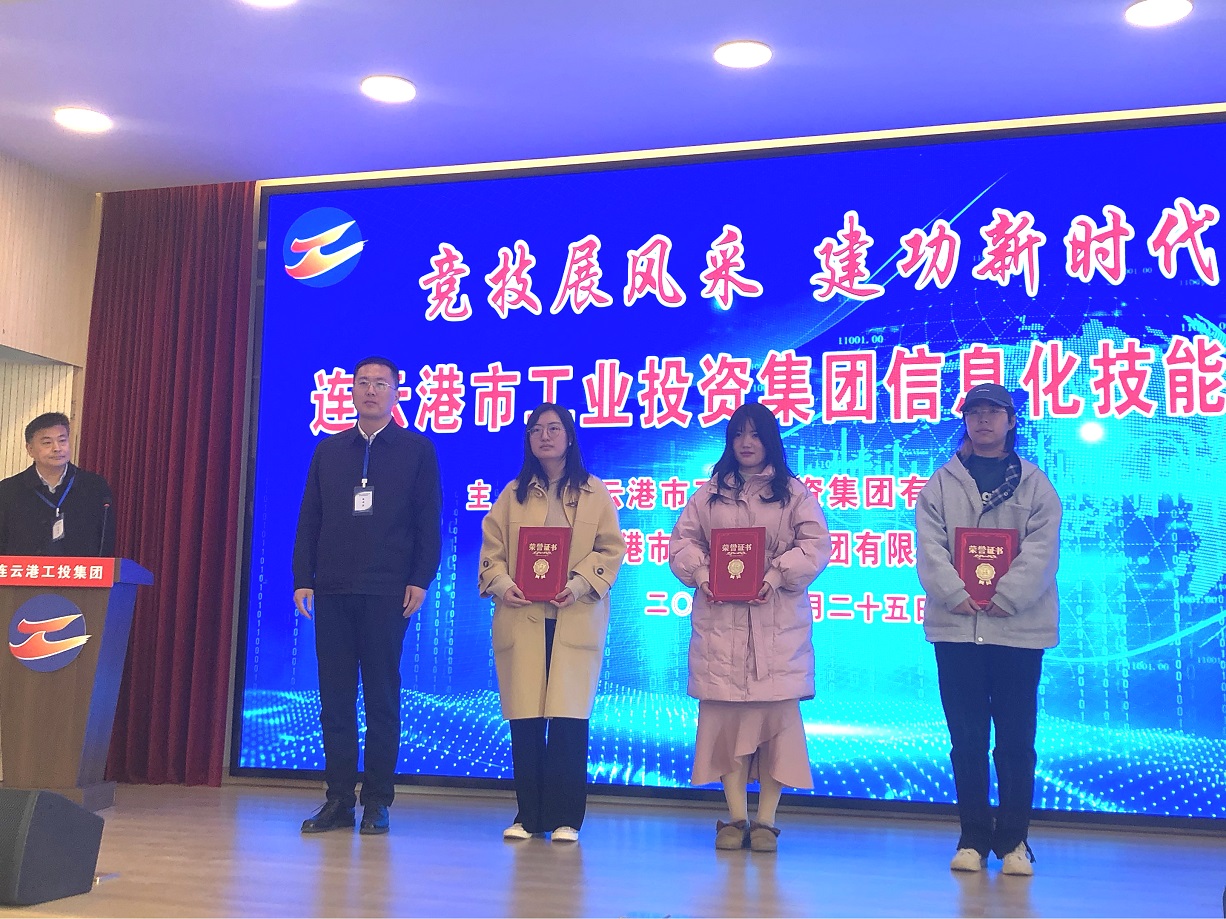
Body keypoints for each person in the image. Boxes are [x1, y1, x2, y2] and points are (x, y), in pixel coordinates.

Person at [668, 402, 831, 852]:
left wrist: (775, 575)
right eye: (738, 434)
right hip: (721, 626)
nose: (746, 442)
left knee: (775, 725)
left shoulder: (793, 493)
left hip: (776, 628)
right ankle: (736, 817)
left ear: (770, 440)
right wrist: (704, 575)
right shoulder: (709, 494)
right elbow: (682, 543)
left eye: (755, 434)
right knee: (727, 725)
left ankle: (766, 821)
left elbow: (816, 545)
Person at [915, 382, 1061, 876]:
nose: (982, 420)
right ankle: (973, 839)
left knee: (1016, 741)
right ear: (965, 421)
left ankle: (1015, 841)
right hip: (956, 629)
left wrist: (1006, 596)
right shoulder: (940, 484)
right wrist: (955, 593)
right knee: (967, 739)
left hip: (1017, 630)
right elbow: (929, 547)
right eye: (974, 412)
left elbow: (1042, 551)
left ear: (1011, 421)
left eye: (993, 412)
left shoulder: (1036, 485)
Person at [292, 356, 442, 836]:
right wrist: (302, 576)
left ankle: (377, 800)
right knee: (335, 700)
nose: (371, 390)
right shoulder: (329, 449)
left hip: (387, 591)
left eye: (381, 383)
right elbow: (310, 517)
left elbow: (428, 521)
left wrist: (421, 578)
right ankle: (338, 800)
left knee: (381, 699)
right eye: (363, 383)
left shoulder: (417, 450)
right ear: (352, 391)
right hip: (333, 589)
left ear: (397, 393)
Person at [478, 403, 625, 843]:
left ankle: (566, 818)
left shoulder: (595, 492)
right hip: (523, 614)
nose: (545, 436)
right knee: (525, 720)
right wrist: (503, 584)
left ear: (570, 436)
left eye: (554, 428)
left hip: (572, 615)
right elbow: (492, 550)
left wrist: (578, 585)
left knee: (567, 720)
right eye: (536, 429)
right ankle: (528, 815)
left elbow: (611, 549)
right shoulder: (513, 494)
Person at [0, 412, 115, 557]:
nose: (57, 448)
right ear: (30, 449)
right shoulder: (8, 491)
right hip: (26, 571)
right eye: (47, 443)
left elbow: (105, 542)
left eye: (62, 440)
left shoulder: (94, 487)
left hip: (79, 570)